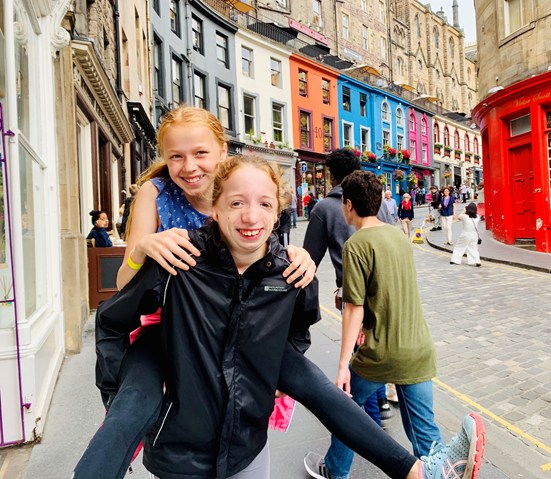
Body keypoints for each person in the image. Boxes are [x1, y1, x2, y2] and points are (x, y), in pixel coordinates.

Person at [96, 157, 486, 479]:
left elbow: (298, 331)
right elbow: (113, 322)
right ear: (214, 209)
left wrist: (274, 378)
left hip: (245, 443)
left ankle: (420, 472)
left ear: (279, 210)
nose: (251, 216)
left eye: (265, 204)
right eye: (236, 203)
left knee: (317, 385)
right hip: (181, 451)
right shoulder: (179, 259)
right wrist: (115, 395)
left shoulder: (291, 273)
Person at [75, 106, 315, 479]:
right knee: (136, 405)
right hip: (173, 322)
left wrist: (297, 256)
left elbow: (267, 253)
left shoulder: (243, 189)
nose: (189, 167)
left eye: (200, 153)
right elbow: (124, 283)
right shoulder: (154, 194)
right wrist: (143, 249)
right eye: (176, 157)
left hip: (233, 323)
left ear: (222, 150)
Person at [305, 171, 485, 479]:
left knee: (345, 413)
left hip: (380, 355)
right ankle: (441, 470)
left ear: (348, 205)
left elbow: (354, 308)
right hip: (417, 348)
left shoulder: (357, 244)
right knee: (425, 437)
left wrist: (342, 366)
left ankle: (336, 471)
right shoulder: (399, 237)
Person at [303, 148, 393, 429]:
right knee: (374, 348)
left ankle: (370, 425)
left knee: (358, 355)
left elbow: (309, 260)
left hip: (353, 292)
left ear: (332, 176)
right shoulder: (375, 202)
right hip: (386, 290)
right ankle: (382, 402)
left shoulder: (323, 209)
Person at [450, 202, 481, 267]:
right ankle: (477, 261)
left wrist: (464, 210)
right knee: (473, 248)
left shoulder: (465, 217)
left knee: (459, 247)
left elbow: (458, 217)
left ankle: (455, 260)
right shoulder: (478, 217)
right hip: (474, 236)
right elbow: (475, 215)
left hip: (465, 235)